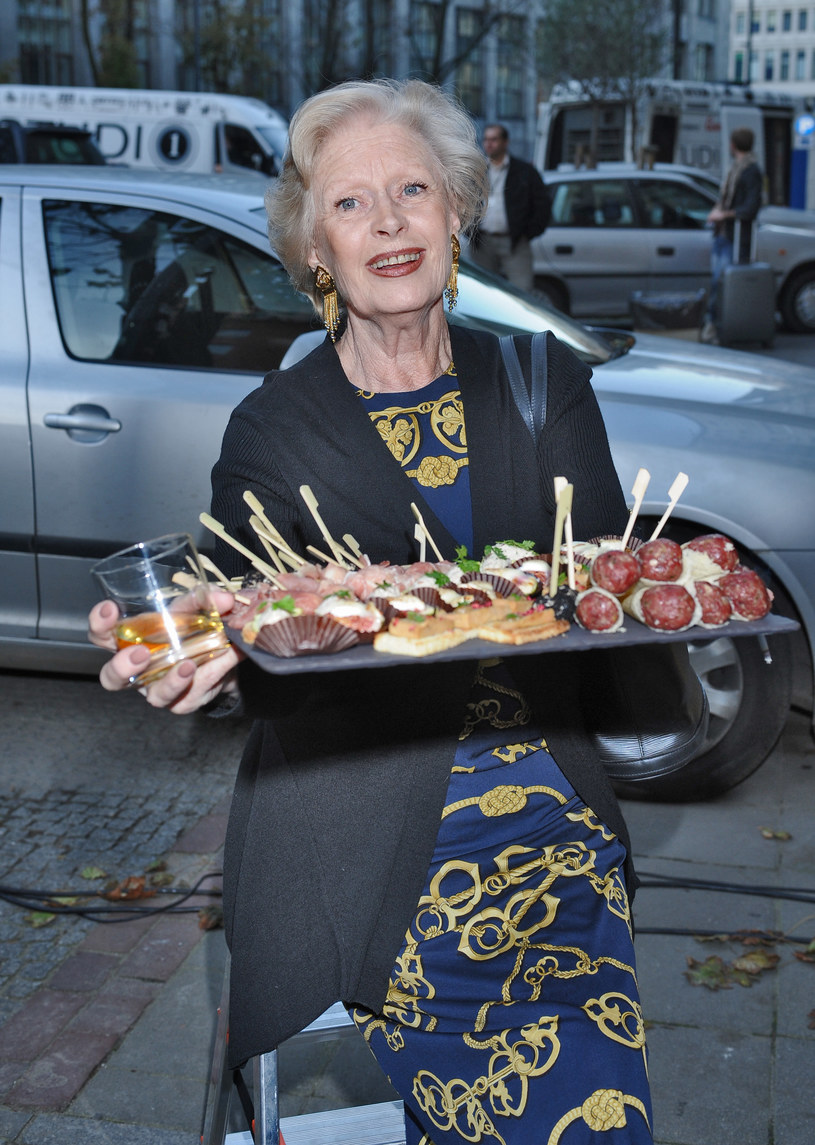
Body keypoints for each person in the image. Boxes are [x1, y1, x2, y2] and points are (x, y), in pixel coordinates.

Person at [89, 79, 654, 1144]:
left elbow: (605, 609)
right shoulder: (274, 430)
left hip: (554, 871)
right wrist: (199, 657)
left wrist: (648, 594)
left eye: (412, 189)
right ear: (314, 250)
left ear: (456, 212)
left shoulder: (540, 383)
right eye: (350, 204)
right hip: (353, 886)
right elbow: (245, 619)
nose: (388, 221)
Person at [701, 126, 763, 344]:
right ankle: (713, 325)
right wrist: (718, 212)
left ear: (734, 145)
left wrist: (723, 215)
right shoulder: (737, 167)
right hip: (724, 234)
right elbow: (728, 198)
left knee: (721, 283)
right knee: (717, 282)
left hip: (734, 237)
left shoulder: (750, 170)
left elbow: (751, 207)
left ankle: (716, 327)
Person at [470, 123, 550, 291]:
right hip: (482, 241)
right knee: (483, 293)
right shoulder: (477, 171)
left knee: (522, 291)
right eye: (486, 139)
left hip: (514, 240)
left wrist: (527, 233)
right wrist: (469, 230)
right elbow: (462, 201)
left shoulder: (524, 171)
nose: (489, 144)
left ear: (505, 142)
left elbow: (542, 204)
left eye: (494, 139)